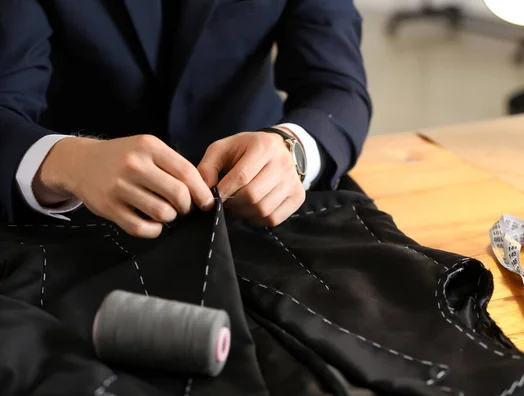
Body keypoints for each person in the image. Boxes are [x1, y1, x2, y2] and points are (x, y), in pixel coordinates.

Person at [0, 0, 371, 238]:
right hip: (77, 217)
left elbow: (336, 85)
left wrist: (292, 149)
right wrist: (69, 163)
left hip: (264, 205)